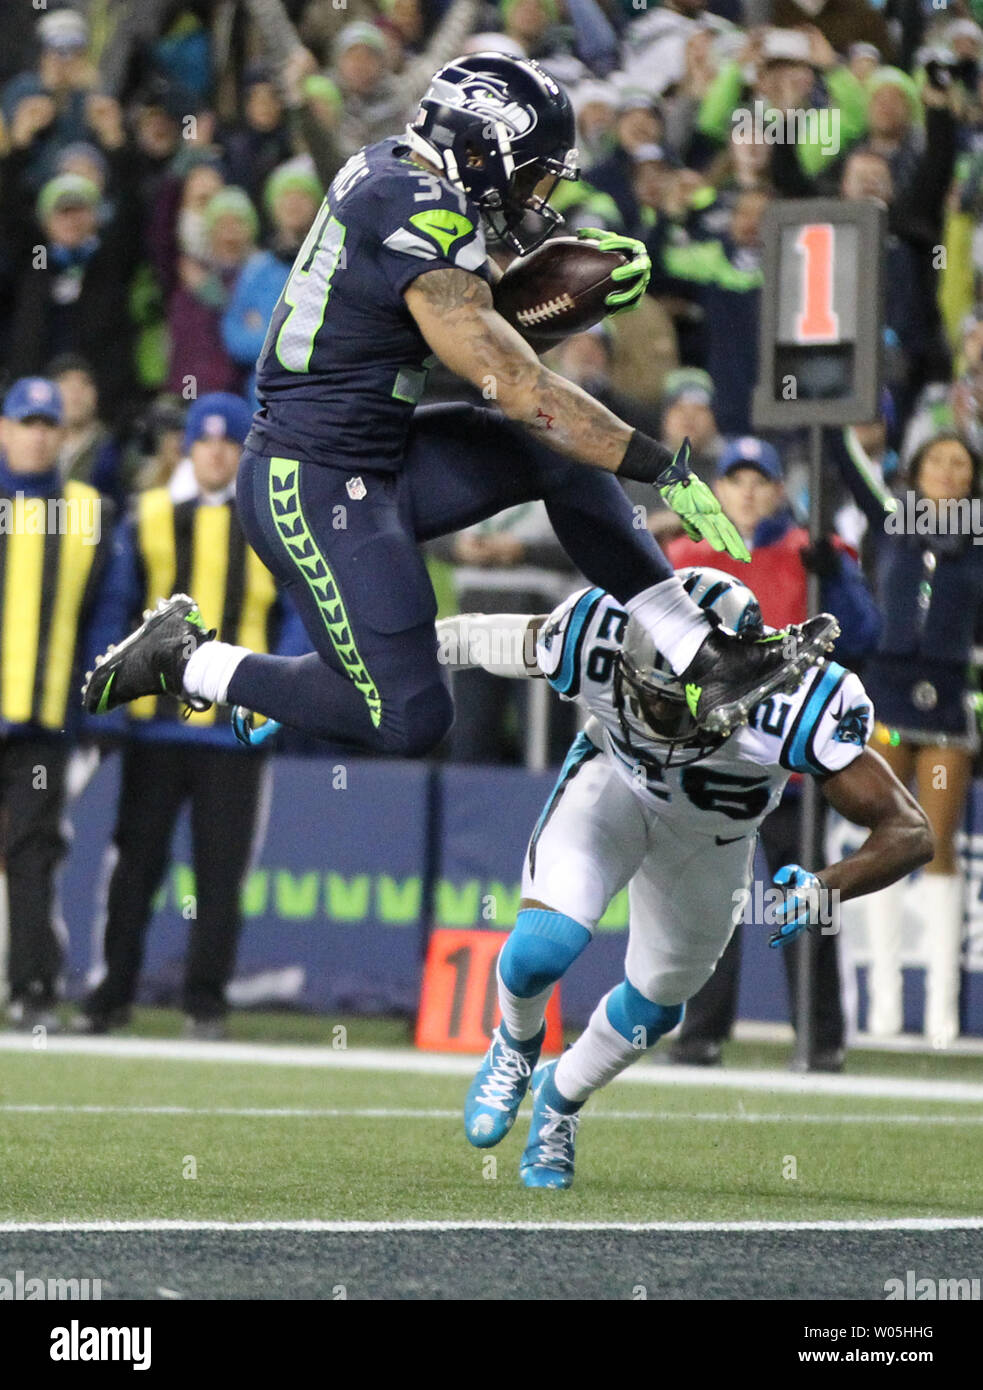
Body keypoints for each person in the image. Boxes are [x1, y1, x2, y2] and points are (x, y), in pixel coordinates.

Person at [82, 52, 838, 761]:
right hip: (307, 485)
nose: (536, 195)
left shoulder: (399, 173)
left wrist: (554, 298)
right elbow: (511, 380)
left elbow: (460, 320)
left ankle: (703, 658)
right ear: (483, 149)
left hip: (377, 456)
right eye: (533, 173)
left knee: (555, 456)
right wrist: (658, 467)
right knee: (410, 716)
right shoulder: (414, 204)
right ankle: (194, 661)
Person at [442, 568, 932, 1188]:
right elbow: (467, 640)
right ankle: (514, 1044)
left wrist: (824, 886)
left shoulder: (793, 704)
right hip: (612, 788)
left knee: (658, 1003)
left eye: (678, 702)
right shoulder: (591, 635)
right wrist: (340, 672)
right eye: (648, 692)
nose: (656, 715)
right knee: (544, 946)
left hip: (711, 841)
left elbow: (910, 831)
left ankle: (559, 1103)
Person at [74, 394, 309, 1039]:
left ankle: (205, 1006)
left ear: (241, 453)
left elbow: (297, 621)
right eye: (204, 441)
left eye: (227, 443)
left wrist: (276, 697)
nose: (213, 451)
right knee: (134, 869)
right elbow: (116, 615)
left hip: (233, 736)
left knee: (221, 876)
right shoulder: (147, 519)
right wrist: (106, 704)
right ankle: (110, 998)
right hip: (155, 729)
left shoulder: (269, 529)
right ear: (187, 447)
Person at [839, 431, 983, 1046]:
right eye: (937, 461)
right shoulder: (892, 519)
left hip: (948, 703)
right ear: (916, 470)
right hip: (887, 696)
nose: (948, 473)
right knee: (885, 838)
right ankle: (884, 1006)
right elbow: (843, 458)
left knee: (939, 845)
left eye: (961, 465)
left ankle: (944, 1015)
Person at [0, 378, 115, 1031]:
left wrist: (99, 701)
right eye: (28, 421)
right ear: (5, 429)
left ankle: (32, 987)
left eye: (50, 423)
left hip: (43, 715)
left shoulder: (87, 511)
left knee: (34, 851)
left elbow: (106, 617)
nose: (40, 432)